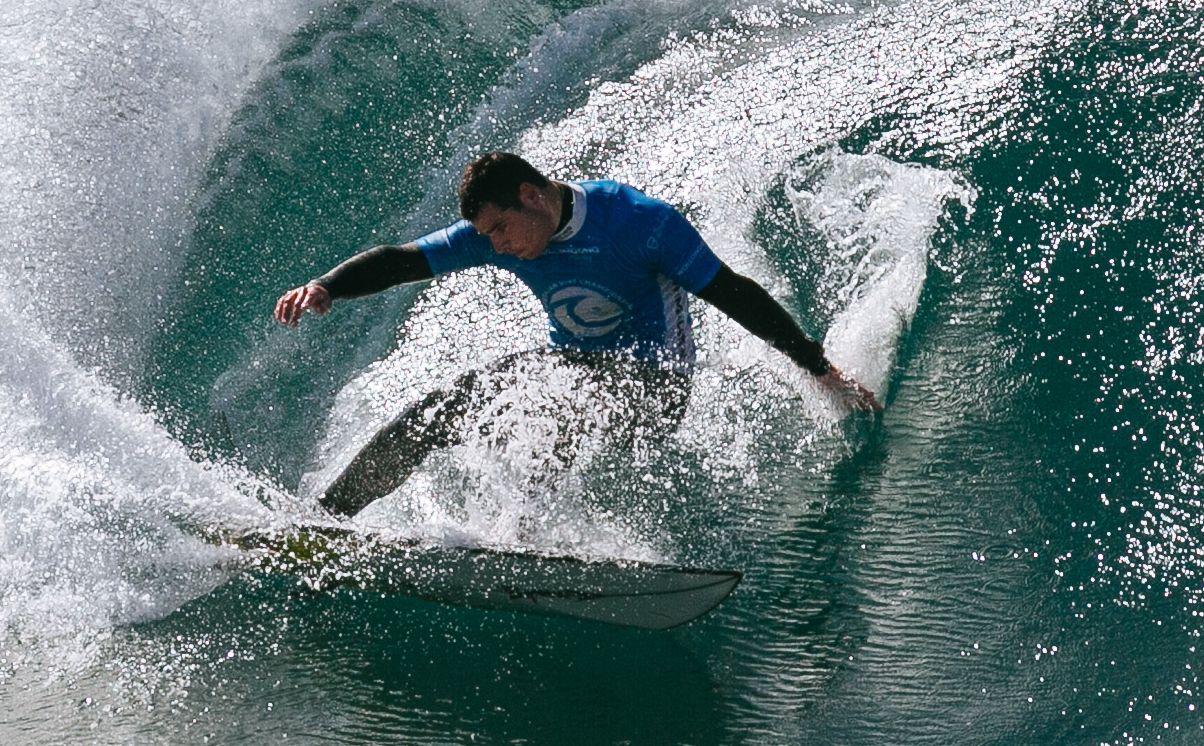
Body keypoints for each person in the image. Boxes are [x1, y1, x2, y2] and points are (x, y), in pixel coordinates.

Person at [272, 150, 882, 517]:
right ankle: (328, 520)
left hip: (656, 384)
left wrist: (818, 367)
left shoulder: (639, 224)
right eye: (487, 237)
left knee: (540, 394)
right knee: (441, 410)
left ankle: (524, 530)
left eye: (501, 230)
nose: (497, 246)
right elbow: (402, 259)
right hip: (574, 375)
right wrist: (329, 285)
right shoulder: (502, 235)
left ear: (531, 196)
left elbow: (735, 295)